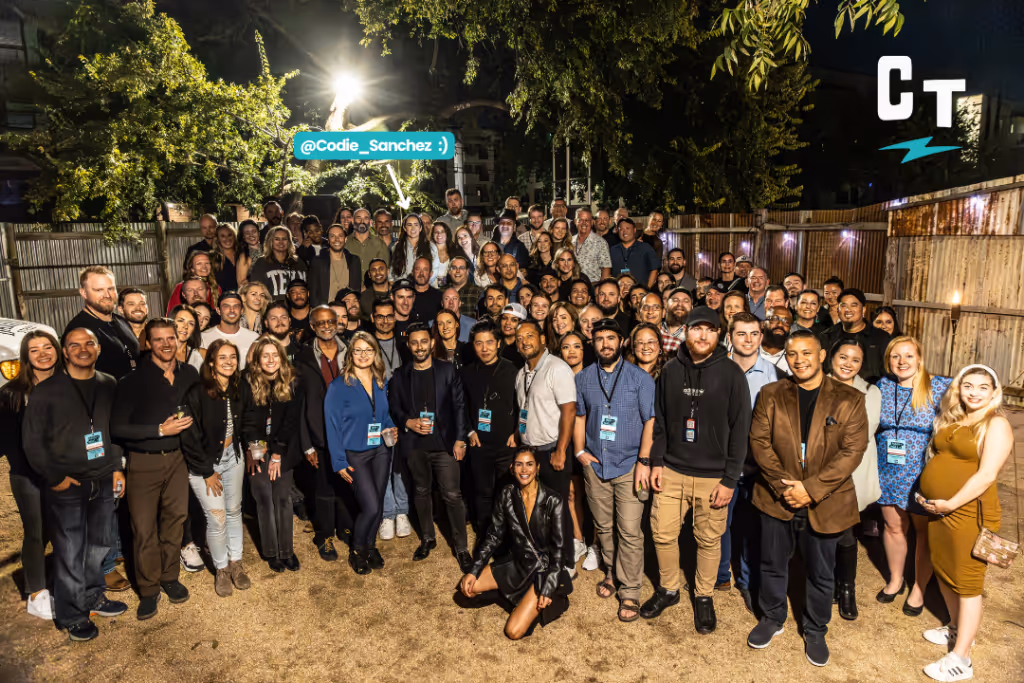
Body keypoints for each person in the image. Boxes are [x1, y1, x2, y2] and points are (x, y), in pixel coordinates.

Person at [746, 330, 868, 667]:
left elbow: (853, 451)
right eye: (792, 354)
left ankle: (815, 628)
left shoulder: (849, 398)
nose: (799, 360)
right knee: (771, 562)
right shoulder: (770, 394)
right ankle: (772, 618)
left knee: (821, 571)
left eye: (806, 353)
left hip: (826, 500)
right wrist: (784, 488)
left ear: (822, 356)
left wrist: (810, 489)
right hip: (776, 496)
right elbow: (759, 442)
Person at [644, 306, 751, 634]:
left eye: (709, 329)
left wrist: (730, 479)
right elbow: (660, 422)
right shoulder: (671, 371)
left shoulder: (732, 374)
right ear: (685, 332)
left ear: (719, 334)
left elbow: (740, 429)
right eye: (695, 329)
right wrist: (656, 462)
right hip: (673, 469)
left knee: (708, 539)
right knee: (662, 532)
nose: (702, 335)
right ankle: (669, 589)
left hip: (713, 476)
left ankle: (703, 596)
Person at [22, 328, 128, 640]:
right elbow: (32, 443)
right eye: (74, 345)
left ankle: (93, 596)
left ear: (98, 348)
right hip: (68, 485)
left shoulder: (109, 384)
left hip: (103, 479)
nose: (82, 349)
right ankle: (71, 615)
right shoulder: (47, 391)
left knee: (98, 546)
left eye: (89, 343)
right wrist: (54, 477)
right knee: (70, 551)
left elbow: (114, 431)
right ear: (64, 352)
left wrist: (117, 467)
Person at [917, 365, 1012, 682]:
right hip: (941, 510)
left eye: (982, 387)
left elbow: (987, 475)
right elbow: (939, 461)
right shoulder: (956, 419)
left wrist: (950, 503)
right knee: (944, 572)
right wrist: (927, 495)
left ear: (993, 391)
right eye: (967, 385)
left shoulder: (996, 424)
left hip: (969, 513)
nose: (974, 392)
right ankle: (956, 629)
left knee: (968, 583)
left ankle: (962, 658)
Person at [111, 318, 199, 620]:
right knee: (144, 528)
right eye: (158, 339)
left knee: (175, 521)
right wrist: (159, 430)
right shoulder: (131, 382)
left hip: (178, 459)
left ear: (178, 339)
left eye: (170, 338)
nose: (165, 344)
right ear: (147, 343)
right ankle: (148, 590)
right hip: (143, 461)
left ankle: (169, 577)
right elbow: (117, 427)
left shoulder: (190, 374)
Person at [574, 318, 654, 622]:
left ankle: (631, 590)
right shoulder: (583, 378)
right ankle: (611, 572)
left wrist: (644, 462)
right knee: (604, 526)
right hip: (595, 464)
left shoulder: (640, 379)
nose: (605, 343)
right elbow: (580, 417)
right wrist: (580, 452)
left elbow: (651, 421)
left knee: (630, 530)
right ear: (592, 343)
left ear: (622, 342)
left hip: (631, 466)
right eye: (599, 339)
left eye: (611, 338)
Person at [460, 446, 573, 639]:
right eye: (519, 465)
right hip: (517, 563)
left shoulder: (554, 500)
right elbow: (493, 536)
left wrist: (548, 585)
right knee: (468, 587)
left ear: (537, 468)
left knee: (513, 631)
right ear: (512, 468)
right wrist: (474, 569)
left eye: (529, 464)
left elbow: (559, 551)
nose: (524, 470)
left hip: (542, 570)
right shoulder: (507, 494)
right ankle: (519, 598)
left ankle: (553, 599)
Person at [875, 336, 951, 615]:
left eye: (909, 356)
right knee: (893, 527)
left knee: (922, 533)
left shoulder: (939, 387)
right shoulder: (882, 387)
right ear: (888, 360)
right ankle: (895, 580)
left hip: (922, 472)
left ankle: (919, 587)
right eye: (896, 356)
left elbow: (973, 392)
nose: (902, 361)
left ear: (919, 358)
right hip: (887, 468)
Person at [388, 324, 472, 571]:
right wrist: (408, 422)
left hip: (444, 445)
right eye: (414, 343)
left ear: (432, 343)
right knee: (421, 491)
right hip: (415, 446)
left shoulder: (447, 371)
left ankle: (462, 548)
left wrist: (459, 439)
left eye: (424, 341)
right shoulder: (400, 375)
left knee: (452, 495)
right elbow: (394, 407)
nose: (420, 347)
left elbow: (459, 406)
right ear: (409, 345)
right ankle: (427, 538)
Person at [179, 340, 252, 597]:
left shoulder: (240, 386)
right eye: (222, 357)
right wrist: (206, 471)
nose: (229, 362)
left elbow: (247, 421)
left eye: (233, 356)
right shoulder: (197, 391)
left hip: (234, 458)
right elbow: (189, 436)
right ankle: (221, 568)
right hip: (205, 465)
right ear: (211, 362)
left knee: (233, 511)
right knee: (217, 517)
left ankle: (236, 563)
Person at [323, 333, 397, 574]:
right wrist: (339, 461)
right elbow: (331, 426)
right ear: (350, 354)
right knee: (371, 507)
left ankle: (370, 547)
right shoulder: (339, 386)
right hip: (355, 454)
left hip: (380, 451)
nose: (364, 355)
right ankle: (357, 550)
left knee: (378, 505)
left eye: (368, 350)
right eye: (358, 350)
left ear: (375, 353)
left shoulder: (380, 380)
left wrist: (390, 427)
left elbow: (383, 414)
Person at [1, 330, 62, 620]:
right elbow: (9, 443)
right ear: (26, 356)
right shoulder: (12, 393)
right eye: (34, 350)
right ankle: (37, 593)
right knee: (36, 533)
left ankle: (64, 584)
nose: (42, 354)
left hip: (66, 474)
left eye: (47, 347)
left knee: (61, 530)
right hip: (28, 476)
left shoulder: (71, 385)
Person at [514, 320, 579, 575]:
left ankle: (567, 562)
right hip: (529, 451)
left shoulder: (557, 367)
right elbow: (525, 410)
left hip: (552, 450)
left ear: (542, 338)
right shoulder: (522, 373)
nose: (524, 342)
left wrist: (561, 450)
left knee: (558, 510)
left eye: (529, 336)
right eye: (519, 338)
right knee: (537, 508)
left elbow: (569, 410)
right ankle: (542, 554)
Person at [724, 313, 778, 612]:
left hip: (757, 463)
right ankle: (719, 576)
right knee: (720, 522)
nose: (747, 339)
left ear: (761, 337)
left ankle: (745, 580)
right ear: (730, 336)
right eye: (741, 333)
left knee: (750, 527)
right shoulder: (718, 369)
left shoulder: (773, 374)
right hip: (723, 461)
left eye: (753, 334)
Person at [827, 337, 882, 620]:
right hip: (819, 469)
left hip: (853, 470)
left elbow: (863, 431)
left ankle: (846, 588)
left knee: (846, 533)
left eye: (855, 360)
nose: (848, 364)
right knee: (821, 531)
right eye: (843, 357)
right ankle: (824, 586)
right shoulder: (816, 384)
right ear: (831, 357)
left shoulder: (870, 392)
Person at [295, 306, 352, 561]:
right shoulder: (303, 357)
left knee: (348, 484)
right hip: (320, 434)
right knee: (324, 488)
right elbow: (300, 404)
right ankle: (325, 536)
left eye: (331, 321)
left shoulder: (350, 350)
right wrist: (307, 444)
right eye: (321, 323)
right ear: (312, 325)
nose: (327, 326)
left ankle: (346, 527)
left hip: (350, 431)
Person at [241, 337, 303, 573]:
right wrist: (253, 446)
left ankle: (287, 551)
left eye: (275, 355)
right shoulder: (246, 382)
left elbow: (291, 421)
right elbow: (245, 419)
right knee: (264, 498)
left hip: (283, 448)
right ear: (257, 360)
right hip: (256, 448)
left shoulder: (293, 381)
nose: (270, 360)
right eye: (265, 355)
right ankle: (271, 552)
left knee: (283, 498)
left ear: (282, 358)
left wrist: (276, 453)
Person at [461, 320, 520, 539]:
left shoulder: (512, 370)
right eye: (479, 343)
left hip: (506, 443)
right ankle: (484, 531)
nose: (484, 348)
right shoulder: (466, 373)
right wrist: (469, 431)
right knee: (482, 491)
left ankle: (505, 531)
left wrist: (517, 432)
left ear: (498, 344)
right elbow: (461, 407)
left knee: (505, 491)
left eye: (489, 342)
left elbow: (522, 405)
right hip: (479, 444)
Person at [369, 298, 412, 542]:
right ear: (373, 318)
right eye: (380, 316)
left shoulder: (405, 344)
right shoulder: (367, 344)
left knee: (400, 463)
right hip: (376, 411)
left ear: (395, 317)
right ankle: (387, 513)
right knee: (382, 461)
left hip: (402, 410)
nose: (385, 320)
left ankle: (402, 511)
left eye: (389, 316)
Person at [65, 266, 140, 379]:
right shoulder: (78, 330)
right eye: (99, 290)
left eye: (111, 289)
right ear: (84, 293)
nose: (107, 295)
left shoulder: (121, 321)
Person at [826, 288, 891, 382]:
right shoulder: (827, 336)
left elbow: (888, 371)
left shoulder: (881, 338)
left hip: (871, 392)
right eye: (843, 306)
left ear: (863, 310)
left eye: (854, 305)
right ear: (838, 310)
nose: (848, 310)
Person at [308, 223, 362, 307]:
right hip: (326, 313)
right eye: (332, 236)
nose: (336, 239)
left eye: (340, 236)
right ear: (328, 239)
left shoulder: (354, 261)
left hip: (347, 312)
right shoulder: (318, 261)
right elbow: (313, 291)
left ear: (345, 239)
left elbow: (356, 289)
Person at [201, 292, 260, 369]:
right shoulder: (204, 337)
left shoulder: (254, 337)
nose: (232, 310)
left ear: (242, 310)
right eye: (226, 306)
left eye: (236, 306)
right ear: (218, 310)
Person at [249, 226, 308, 300]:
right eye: (276, 239)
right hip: (273, 309)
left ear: (289, 241)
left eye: (284, 239)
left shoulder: (299, 262)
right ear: (270, 241)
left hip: (296, 309)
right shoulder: (262, 263)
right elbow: (256, 290)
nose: (281, 242)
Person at [608, 218, 659, 288]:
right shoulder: (612, 250)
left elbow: (654, 269)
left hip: (640, 293)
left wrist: (648, 289)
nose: (624, 232)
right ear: (617, 231)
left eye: (627, 228)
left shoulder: (646, 248)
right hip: (619, 292)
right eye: (621, 229)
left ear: (634, 230)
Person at [391, 214, 437, 282]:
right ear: (405, 228)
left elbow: (435, 270)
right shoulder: (397, 247)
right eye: (409, 225)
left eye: (416, 225)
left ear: (420, 228)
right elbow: (392, 272)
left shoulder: (431, 247)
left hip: (424, 287)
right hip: (403, 287)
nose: (413, 228)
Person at [346, 208, 390, 279]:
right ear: (353, 221)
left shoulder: (380, 244)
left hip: (372, 289)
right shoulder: (345, 243)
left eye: (365, 218)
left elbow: (384, 271)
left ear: (370, 222)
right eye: (359, 218)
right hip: (349, 288)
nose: (362, 221)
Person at [572, 208, 612, 282]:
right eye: (581, 220)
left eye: (587, 220)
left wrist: (600, 290)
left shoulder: (601, 243)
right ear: (575, 221)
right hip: (573, 287)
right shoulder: (569, 242)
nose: (584, 223)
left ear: (592, 222)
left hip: (593, 287)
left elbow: (606, 269)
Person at [210, 223, 250, 292]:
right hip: (223, 299)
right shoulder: (213, 258)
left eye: (229, 235)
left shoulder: (244, 254)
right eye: (222, 236)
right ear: (217, 239)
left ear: (234, 236)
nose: (227, 239)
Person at [169, 304, 206, 370]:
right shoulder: (157, 353)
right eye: (181, 321)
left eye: (191, 323)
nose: (185, 326)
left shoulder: (201, 355)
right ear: (171, 322)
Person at [760, 306, 793, 374]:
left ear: (790, 329)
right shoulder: (749, 350)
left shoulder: (793, 359)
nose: (780, 324)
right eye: (774, 319)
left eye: (786, 321)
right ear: (763, 324)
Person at [409, 257, 443, 321]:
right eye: (418, 269)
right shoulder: (405, 295)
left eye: (425, 269)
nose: (421, 273)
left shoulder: (439, 297)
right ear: (412, 272)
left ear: (431, 274)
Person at [430, 221, 462, 286]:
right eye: (436, 232)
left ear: (447, 233)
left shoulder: (455, 251)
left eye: (442, 232)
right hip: (431, 287)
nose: (439, 235)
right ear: (432, 234)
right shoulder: (428, 251)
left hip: (449, 288)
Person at [661, 287, 690, 353]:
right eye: (675, 300)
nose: (679, 304)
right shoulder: (655, 329)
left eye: (685, 301)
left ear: (692, 307)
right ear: (667, 305)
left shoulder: (693, 336)